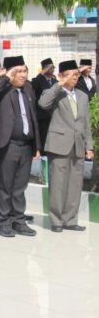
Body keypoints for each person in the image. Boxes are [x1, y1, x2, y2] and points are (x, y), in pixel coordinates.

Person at [0, 56, 39, 238]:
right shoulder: (2, 88)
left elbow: (33, 117)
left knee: (19, 187)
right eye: (19, 71)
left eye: (25, 71)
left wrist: (36, 145)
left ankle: (19, 220)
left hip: (25, 145)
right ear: (10, 73)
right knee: (4, 185)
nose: (23, 75)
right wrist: (5, 77)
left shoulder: (28, 89)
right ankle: (3, 222)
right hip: (6, 144)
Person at [38, 60, 94, 232]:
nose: (75, 78)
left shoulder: (83, 96)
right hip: (59, 144)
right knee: (58, 183)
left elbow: (86, 122)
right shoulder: (54, 93)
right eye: (71, 75)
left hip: (77, 144)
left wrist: (89, 146)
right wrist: (60, 84)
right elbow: (43, 104)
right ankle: (56, 220)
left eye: (76, 75)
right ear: (61, 76)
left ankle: (70, 219)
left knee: (75, 184)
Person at [31, 58, 57, 152]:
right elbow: (33, 85)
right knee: (43, 137)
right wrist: (42, 73)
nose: (52, 69)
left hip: (53, 115)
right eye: (50, 68)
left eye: (53, 67)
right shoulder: (38, 80)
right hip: (42, 115)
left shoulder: (55, 81)